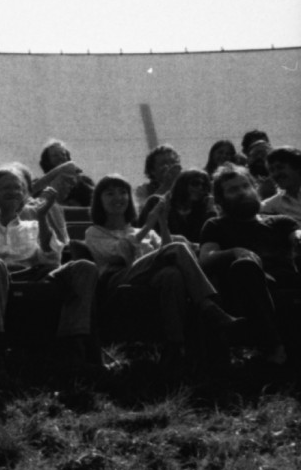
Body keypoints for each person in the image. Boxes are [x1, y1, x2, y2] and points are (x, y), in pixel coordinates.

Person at [86, 174, 235, 378]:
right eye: (109, 193)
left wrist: (163, 224)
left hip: (152, 277)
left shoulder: (139, 229)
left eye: (122, 192)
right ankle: (208, 304)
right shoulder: (94, 232)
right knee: (178, 249)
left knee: (171, 274)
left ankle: (175, 349)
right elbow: (118, 254)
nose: (118, 197)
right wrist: (149, 224)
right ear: (99, 201)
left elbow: (168, 253)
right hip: (119, 280)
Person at [0, 163, 98, 373]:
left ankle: (74, 346)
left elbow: (51, 261)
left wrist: (42, 217)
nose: (14, 192)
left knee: (84, 268)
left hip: (33, 276)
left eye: (18, 188)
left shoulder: (32, 226)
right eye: (7, 188)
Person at [198, 164, 298, 365]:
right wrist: (235, 252)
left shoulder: (281, 222)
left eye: (245, 186)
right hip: (248, 291)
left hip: (287, 286)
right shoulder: (216, 226)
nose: (242, 192)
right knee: (245, 266)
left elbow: (296, 234)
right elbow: (206, 258)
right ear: (221, 199)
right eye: (233, 190)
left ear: (255, 188)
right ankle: (274, 347)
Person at [33, 139, 94, 209]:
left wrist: (80, 183)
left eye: (63, 154)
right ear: (47, 161)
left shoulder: (84, 180)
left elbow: (96, 200)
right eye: (55, 155)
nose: (61, 158)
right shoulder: (39, 184)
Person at [135, 145, 182, 220]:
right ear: (152, 170)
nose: (170, 166)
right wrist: (166, 185)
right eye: (163, 163)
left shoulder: (187, 186)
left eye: (173, 162)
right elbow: (143, 214)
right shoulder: (144, 189)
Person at [261, 146, 301, 223]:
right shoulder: (274, 204)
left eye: (280, 167)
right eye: (271, 170)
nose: (276, 174)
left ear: (297, 167)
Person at [243, 130, 277, 198]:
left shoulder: (279, 173)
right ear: (246, 152)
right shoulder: (241, 177)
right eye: (255, 152)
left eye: (264, 151)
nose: (259, 156)